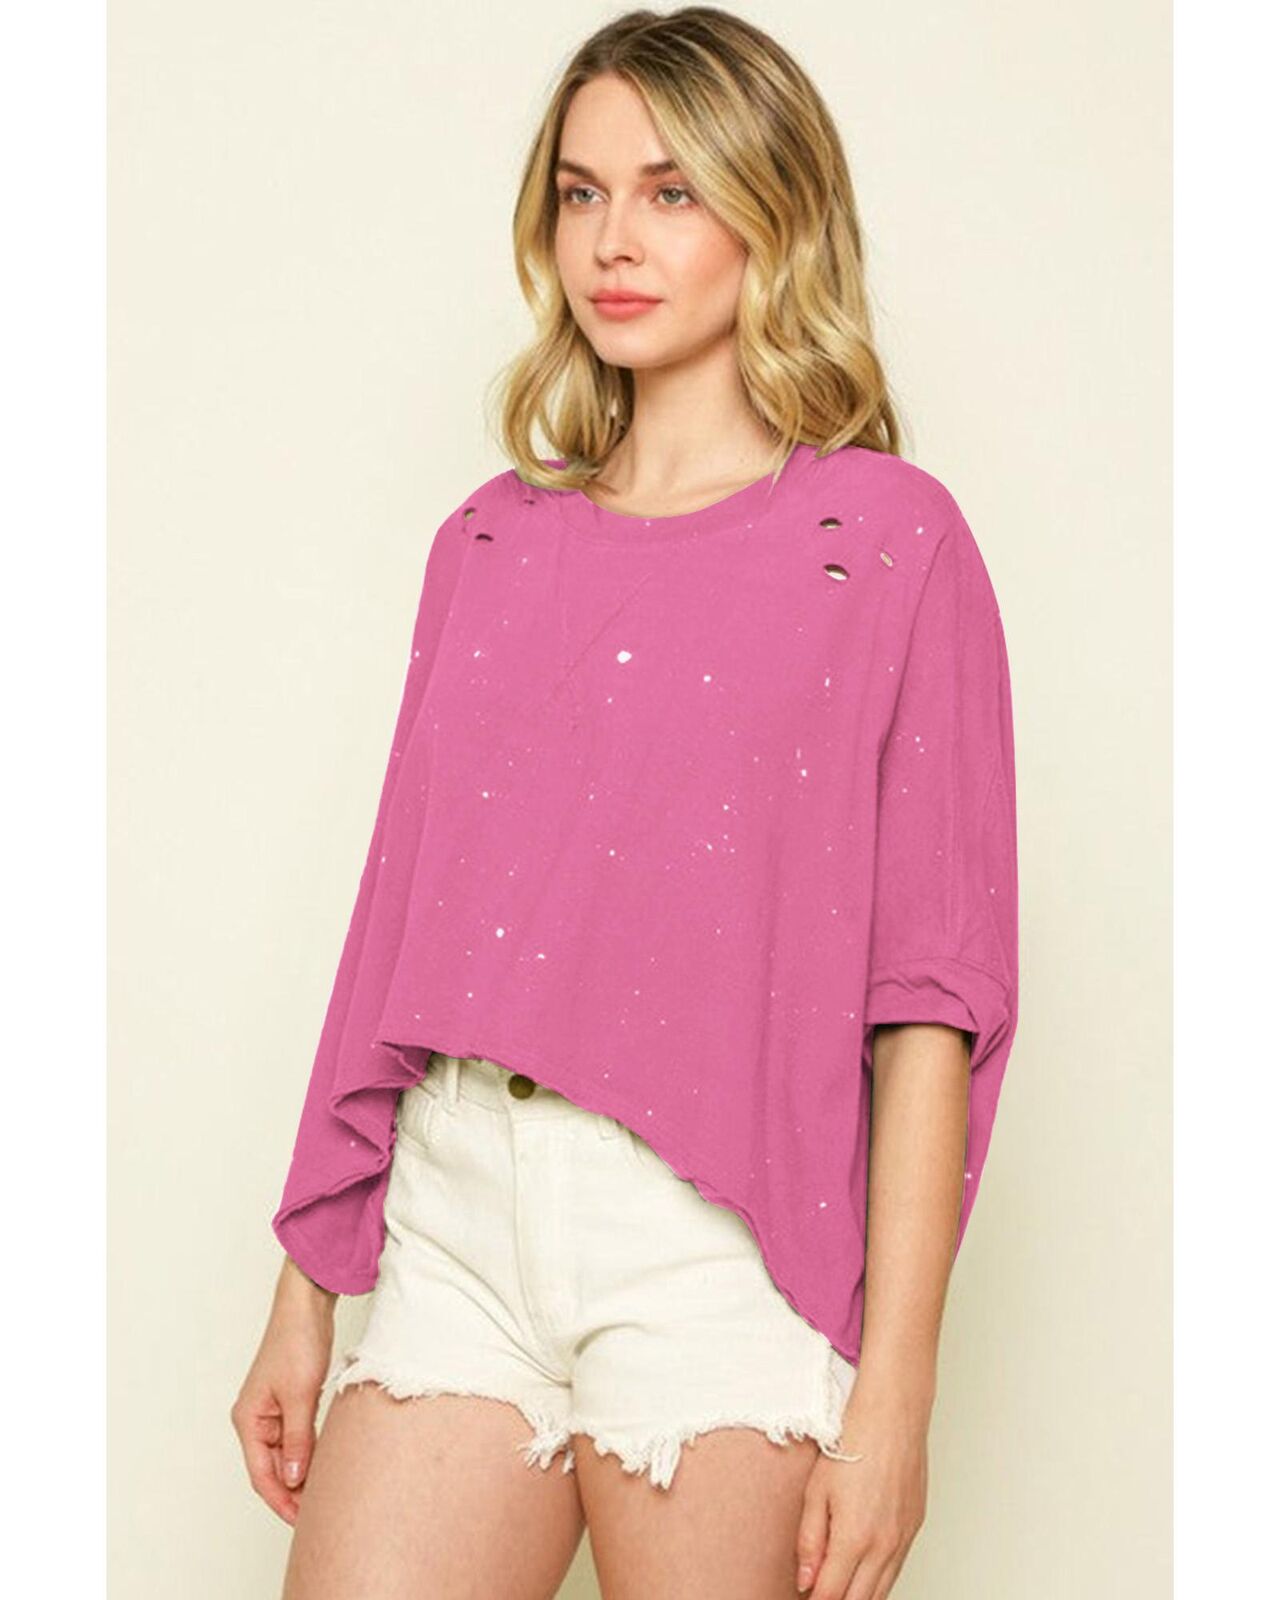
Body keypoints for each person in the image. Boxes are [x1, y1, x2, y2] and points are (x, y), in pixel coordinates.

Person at [231, 9, 1020, 1598]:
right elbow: (398, 918)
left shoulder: (886, 543)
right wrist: (306, 1285)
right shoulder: (488, 544)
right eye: (580, 194)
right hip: (459, 1208)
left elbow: (928, 1000)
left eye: (670, 191)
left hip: (718, 1240)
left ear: (773, 209)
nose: (613, 241)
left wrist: (896, 1401)